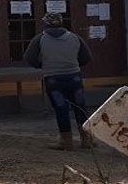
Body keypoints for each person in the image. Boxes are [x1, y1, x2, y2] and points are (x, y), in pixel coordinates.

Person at [23, 12, 94, 150]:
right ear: (62, 23)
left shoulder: (40, 39)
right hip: (74, 77)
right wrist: (74, 64)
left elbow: (29, 57)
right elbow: (86, 57)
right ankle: (86, 139)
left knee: (61, 109)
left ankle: (66, 142)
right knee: (80, 107)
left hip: (53, 79)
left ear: (46, 24)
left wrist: (42, 65)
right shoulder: (75, 37)